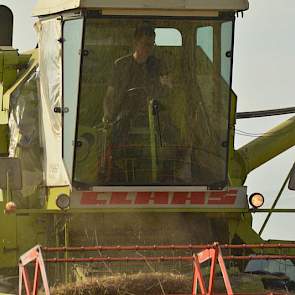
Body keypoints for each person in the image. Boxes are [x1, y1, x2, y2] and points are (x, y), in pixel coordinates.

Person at [103, 23, 172, 123]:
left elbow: (168, 90)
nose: (149, 48)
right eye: (146, 44)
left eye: (152, 44)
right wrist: (107, 114)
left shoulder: (159, 66)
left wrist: (166, 84)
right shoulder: (120, 65)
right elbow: (110, 95)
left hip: (153, 115)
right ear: (135, 43)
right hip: (124, 114)